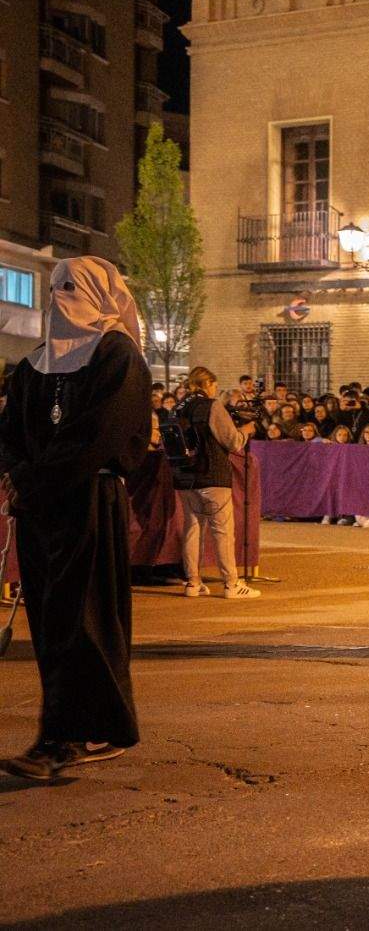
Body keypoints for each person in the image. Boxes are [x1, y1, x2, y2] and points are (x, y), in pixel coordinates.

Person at [0, 258, 153, 780]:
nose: (60, 298)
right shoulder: (34, 365)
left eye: (73, 287)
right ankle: (76, 731)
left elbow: (101, 435)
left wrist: (34, 478)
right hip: (42, 507)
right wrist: (20, 475)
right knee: (51, 622)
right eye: (55, 288)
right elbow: (9, 434)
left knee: (82, 620)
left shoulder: (117, 356)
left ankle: (63, 739)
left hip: (88, 501)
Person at [170, 367, 259, 600]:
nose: (215, 391)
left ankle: (192, 582)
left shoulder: (177, 407)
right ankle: (231, 583)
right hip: (212, 474)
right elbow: (232, 441)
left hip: (184, 476)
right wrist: (245, 431)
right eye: (214, 386)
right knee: (222, 531)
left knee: (192, 528)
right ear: (207, 384)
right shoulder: (212, 406)